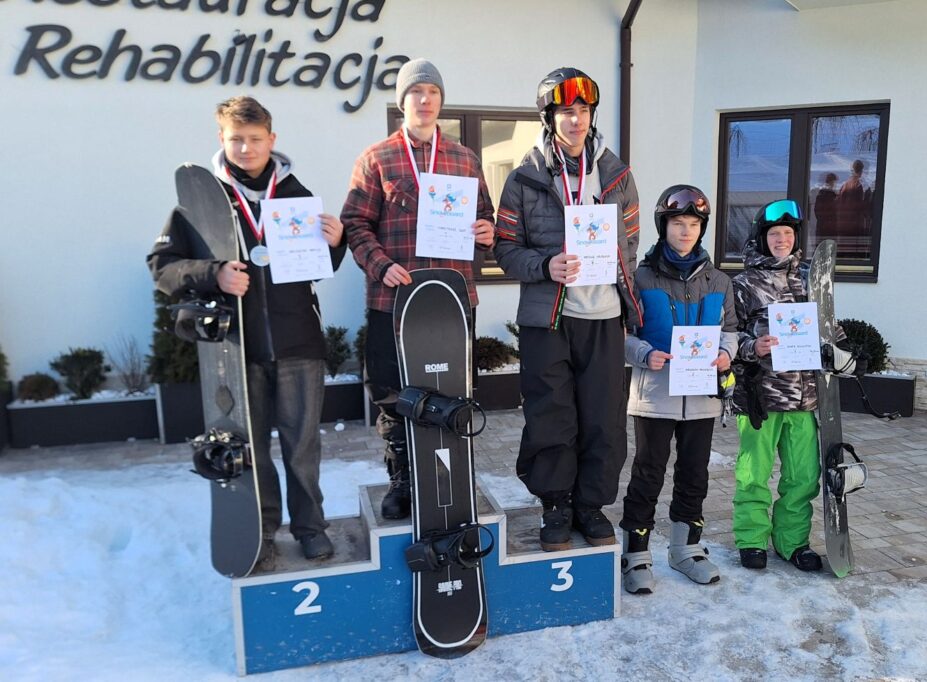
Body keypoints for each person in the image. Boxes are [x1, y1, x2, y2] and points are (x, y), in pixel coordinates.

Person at [148, 95, 346, 567]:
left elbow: (315, 270)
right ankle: (262, 533)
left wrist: (335, 244)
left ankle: (310, 528)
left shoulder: (296, 195)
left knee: (302, 450)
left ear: (271, 140)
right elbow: (161, 266)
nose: (246, 148)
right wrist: (213, 273)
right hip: (236, 350)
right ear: (222, 138)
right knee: (250, 450)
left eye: (255, 139)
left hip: (299, 344)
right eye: (236, 139)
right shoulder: (201, 203)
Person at [340, 58, 496, 520]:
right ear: (402, 101)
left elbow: (485, 219)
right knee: (393, 395)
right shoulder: (377, 158)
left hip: (452, 300)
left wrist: (486, 232)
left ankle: (449, 475)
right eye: (416, 92)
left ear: (441, 101)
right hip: (393, 299)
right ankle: (403, 480)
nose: (425, 100)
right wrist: (380, 264)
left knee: (452, 391)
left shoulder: (464, 159)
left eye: (433, 92)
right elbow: (354, 224)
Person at [494, 67, 641, 551]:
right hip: (548, 318)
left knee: (604, 419)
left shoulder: (617, 175)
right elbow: (504, 248)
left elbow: (631, 244)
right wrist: (544, 265)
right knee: (550, 415)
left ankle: (591, 505)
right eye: (565, 111)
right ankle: (555, 505)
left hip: (603, 318)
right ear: (549, 118)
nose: (576, 120)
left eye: (583, 110)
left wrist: (623, 293)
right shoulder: (524, 178)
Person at [730, 199, 862, 572]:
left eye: (788, 233)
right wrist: (753, 346)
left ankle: (792, 541)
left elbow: (827, 327)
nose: (782, 240)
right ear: (762, 238)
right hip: (761, 396)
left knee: (803, 477)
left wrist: (843, 349)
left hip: (805, 399)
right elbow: (728, 336)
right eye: (775, 233)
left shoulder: (810, 278)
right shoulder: (743, 284)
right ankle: (752, 539)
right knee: (754, 474)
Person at [619, 185, 738, 593]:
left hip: (701, 397)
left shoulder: (719, 281)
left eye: (693, 224)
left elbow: (731, 329)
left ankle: (685, 549)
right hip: (655, 395)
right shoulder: (640, 278)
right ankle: (635, 554)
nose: (685, 231)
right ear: (663, 226)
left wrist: (725, 354)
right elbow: (620, 333)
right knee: (648, 473)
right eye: (677, 223)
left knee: (694, 474)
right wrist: (643, 353)